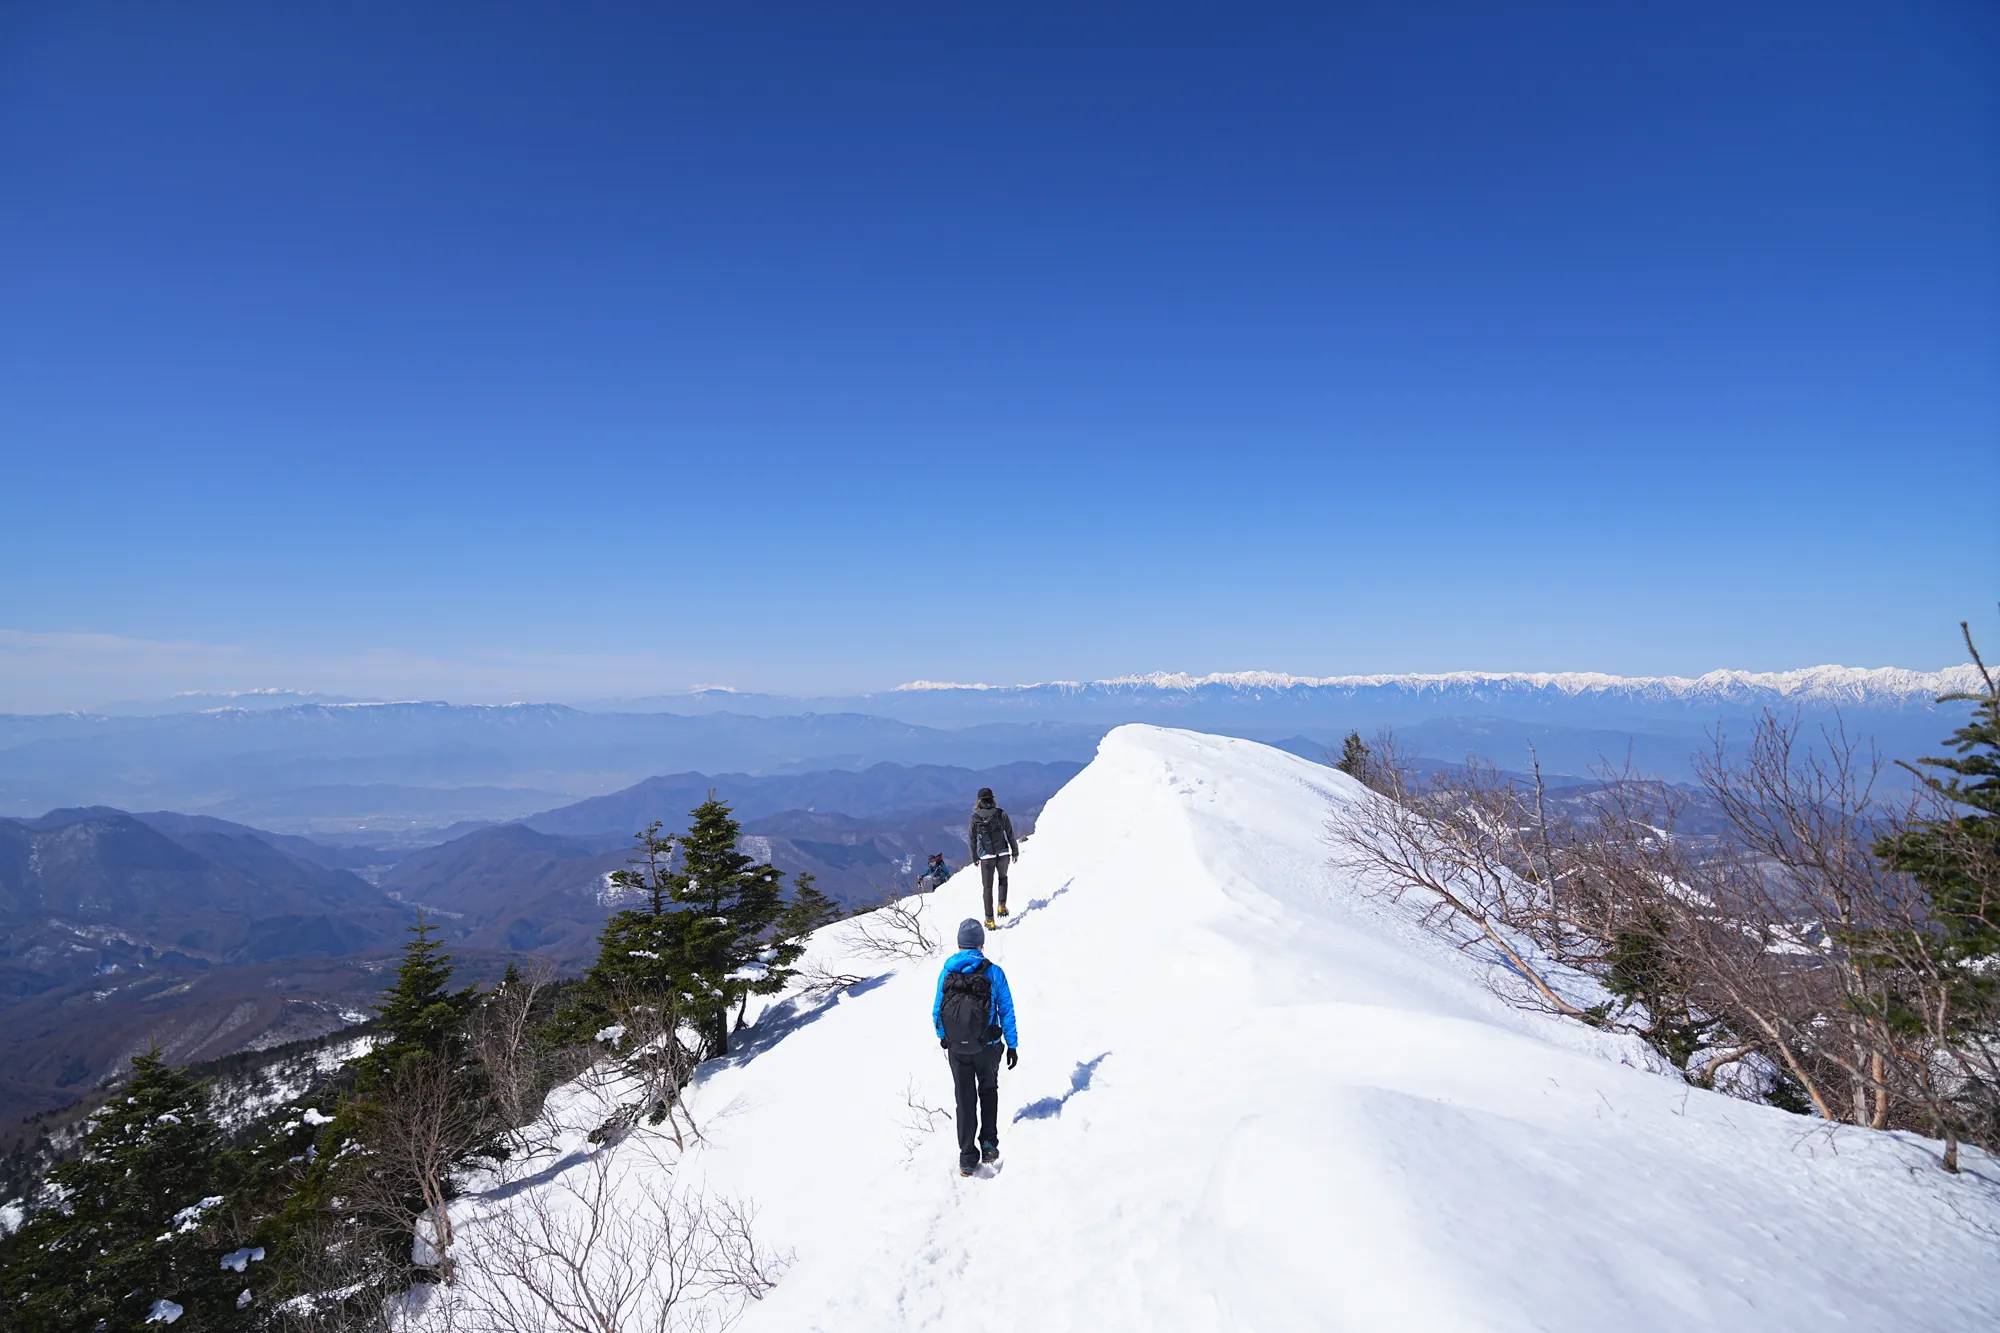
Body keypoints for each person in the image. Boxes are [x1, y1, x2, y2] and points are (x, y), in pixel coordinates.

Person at [933, 918, 1019, 1176]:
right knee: (988, 1092)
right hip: (988, 1046)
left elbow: (938, 1011)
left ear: (960, 944)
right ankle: (989, 1144)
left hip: (957, 1049)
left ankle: (967, 1158)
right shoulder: (993, 972)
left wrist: (946, 1038)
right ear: (981, 944)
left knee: (964, 1099)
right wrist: (1012, 1045)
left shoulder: (947, 972)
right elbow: (1006, 1010)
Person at [966, 786, 1018, 930]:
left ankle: (990, 920)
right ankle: (1001, 906)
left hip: (986, 857)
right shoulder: (1001, 814)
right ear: (993, 799)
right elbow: (1010, 833)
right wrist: (1015, 851)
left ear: (979, 801)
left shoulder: (975, 818)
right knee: (1003, 878)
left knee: (987, 888)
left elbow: (971, 839)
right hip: (1003, 853)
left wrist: (974, 856)